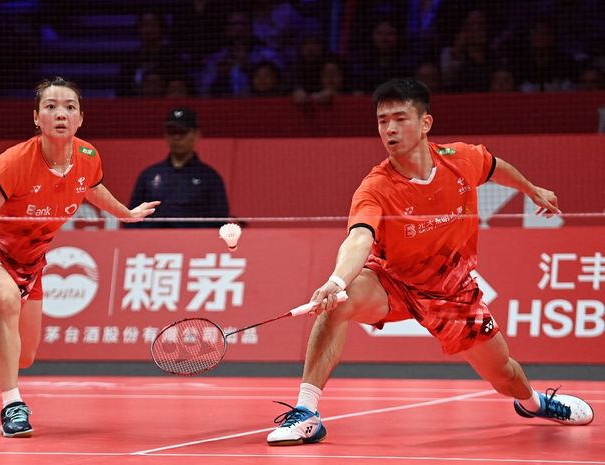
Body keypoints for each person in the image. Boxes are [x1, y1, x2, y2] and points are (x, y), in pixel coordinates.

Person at [266, 78, 594, 446]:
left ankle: (534, 404)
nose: (389, 129)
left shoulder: (461, 160)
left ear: (425, 123)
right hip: (394, 284)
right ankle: (307, 411)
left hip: (453, 293)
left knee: (506, 377)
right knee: (339, 303)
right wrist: (337, 281)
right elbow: (359, 236)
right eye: (382, 120)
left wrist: (531, 189)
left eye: (400, 118)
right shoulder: (376, 187)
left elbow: (495, 166)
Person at [0, 76, 160, 438]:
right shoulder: (12, 163)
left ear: (81, 118)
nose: (61, 113)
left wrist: (126, 214)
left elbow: (93, 188)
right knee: (5, 300)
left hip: (30, 260)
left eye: (70, 107)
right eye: (51, 107)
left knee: (23, 355)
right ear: (36, 118)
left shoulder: (87, 156)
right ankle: (14, 405)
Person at [125, 107, 229, 229]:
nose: (177, 137)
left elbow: (219, 222)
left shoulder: (210, 177)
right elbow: (131, 218)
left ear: (196, 134)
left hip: (193, 244)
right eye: (172, 131)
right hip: (151, 244)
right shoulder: (148, 176)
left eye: (182, 132)